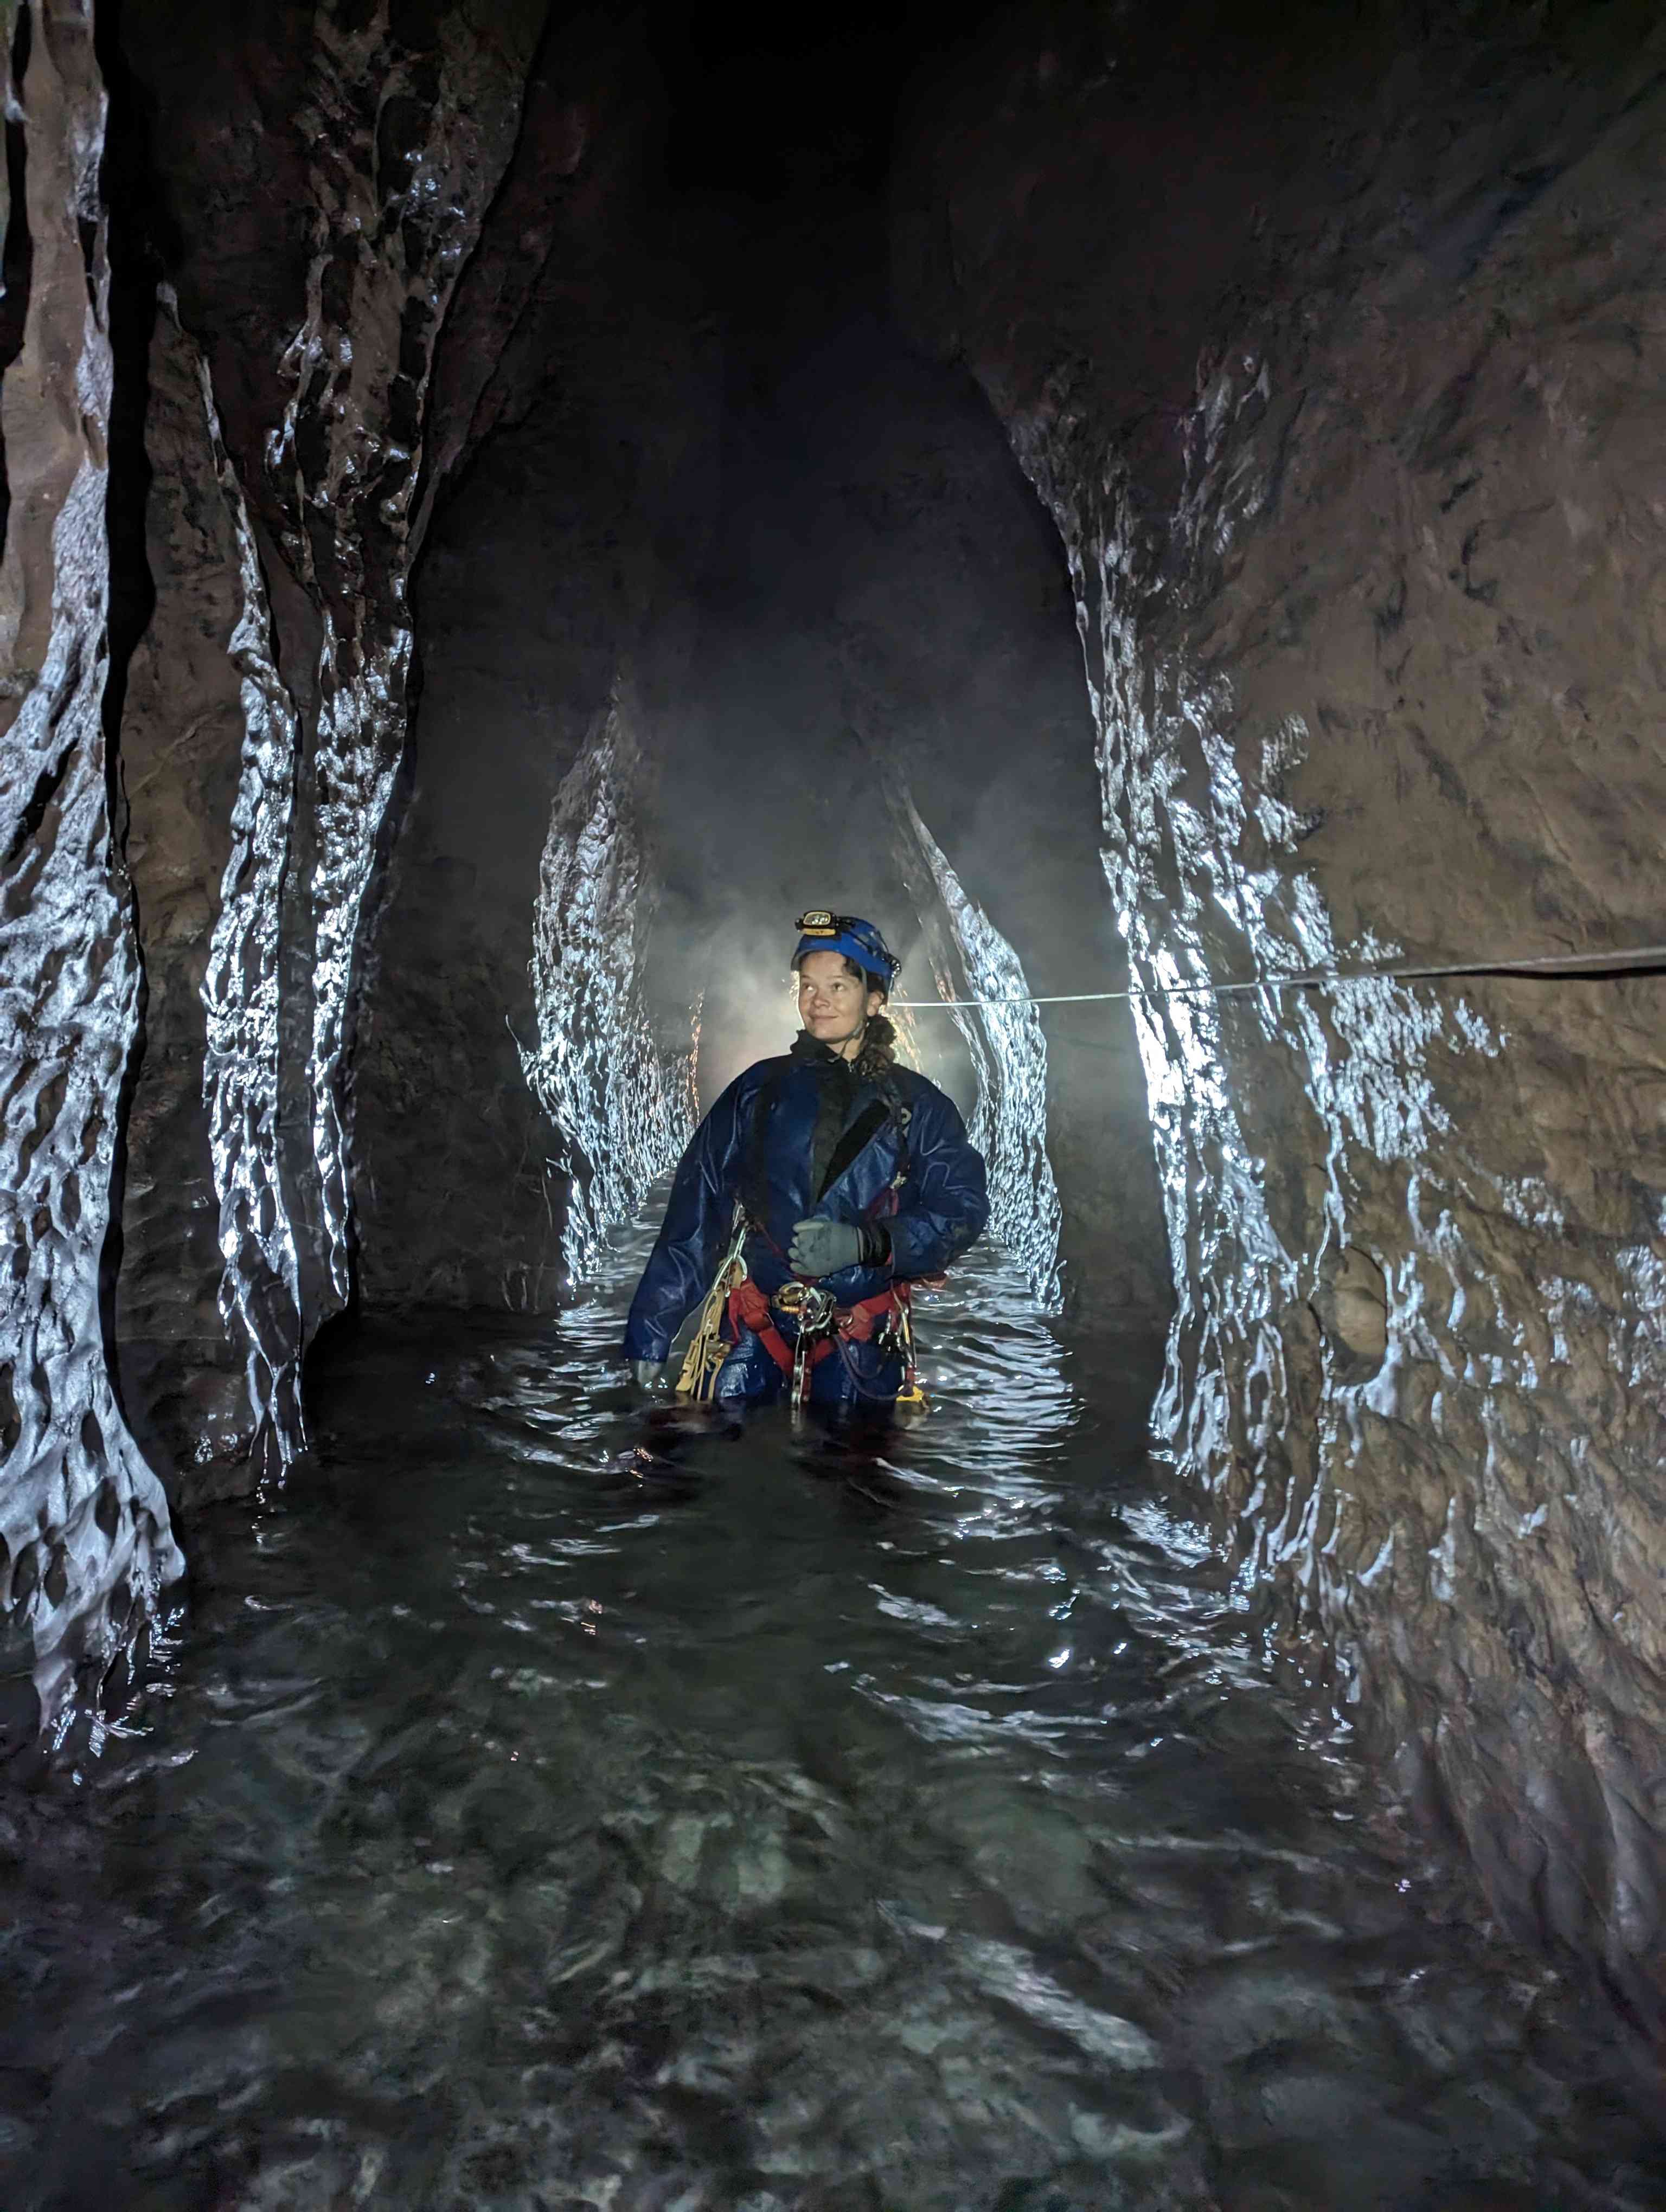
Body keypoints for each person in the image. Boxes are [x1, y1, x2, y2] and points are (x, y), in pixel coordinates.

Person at [622, 911, 989, 1413]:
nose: (819, 1001)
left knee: (851, 1482)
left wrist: (869, 1243)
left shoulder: (917, 1107)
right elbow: (699, 1206)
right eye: (809, 985)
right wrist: (652, 1329)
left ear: (875, 999)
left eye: (838, 986)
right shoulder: (758, 1090)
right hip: (756, 1330)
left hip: (858, 1341)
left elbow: (961, 1210)